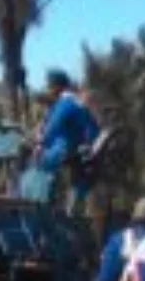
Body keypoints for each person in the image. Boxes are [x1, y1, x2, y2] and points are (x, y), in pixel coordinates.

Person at [37, 69, 101, 214]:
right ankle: (70, 207)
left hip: (66, 149)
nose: (48, 90)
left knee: (39, 164)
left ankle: (44, 206)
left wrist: (40, 142)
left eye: (49, 86)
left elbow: (52, 127)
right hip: (82, 152)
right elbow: (94, 128)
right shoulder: (77, 102)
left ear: (57, 86)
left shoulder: (65, 103)